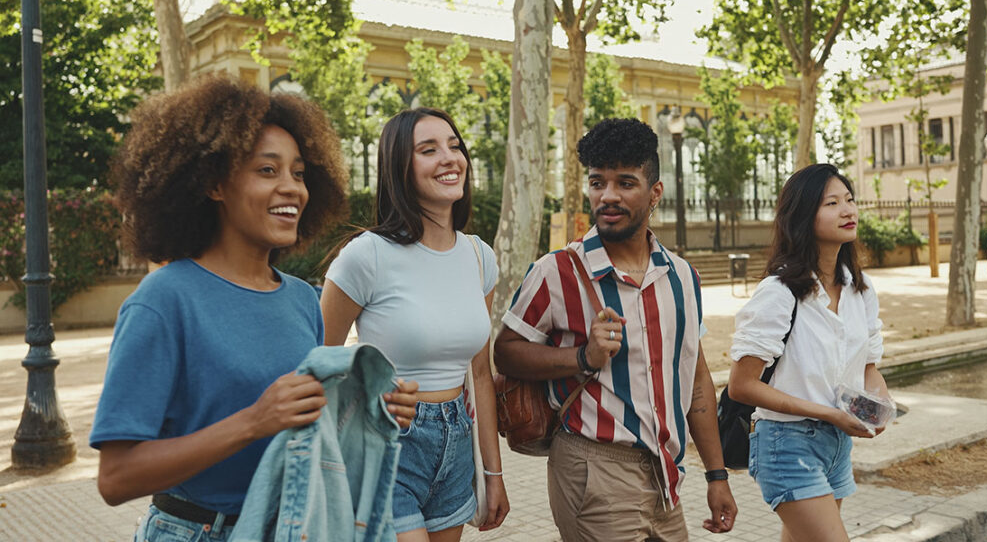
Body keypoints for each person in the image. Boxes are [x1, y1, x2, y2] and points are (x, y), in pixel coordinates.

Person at [90, 75, 418, 541]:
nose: (292, 189)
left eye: (299, 173)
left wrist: (372, 409)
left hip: (289, 525)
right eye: (268, 170)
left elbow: (307, 428)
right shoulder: (163, 301)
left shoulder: (303, 299)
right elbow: (115, 478)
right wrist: (252, 422)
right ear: (214, 184)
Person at [494, 118, 737, 541]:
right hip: (594, 469)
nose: (608, 196)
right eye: (597, 182)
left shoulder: (683, 277)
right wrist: (582, 357)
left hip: (666, 476)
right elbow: (506, 351)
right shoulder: (558, 271)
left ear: (654, 192)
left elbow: (695, 378)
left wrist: (717, 475)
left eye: (625, 183)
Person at [320, 107, 510, 541]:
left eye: (454, 145)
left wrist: (493, 472)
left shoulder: (480, 257)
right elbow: (316, 364)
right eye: (428, 150)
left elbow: (480, 373)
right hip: (388, 445)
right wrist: (366, 406)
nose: (449, 158)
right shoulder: (365, 256)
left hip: (457, 444)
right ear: (400, 170)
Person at [727, 163, 892, 542]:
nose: (848, 210)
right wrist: (830, 413)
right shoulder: (779, 292)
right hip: (787, 444)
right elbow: (741, 385)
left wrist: (880, 402)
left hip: (837, 446)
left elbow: (869, 367)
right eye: (831, 203)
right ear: (803, 216)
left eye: (849, 199)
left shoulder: (860, 292)